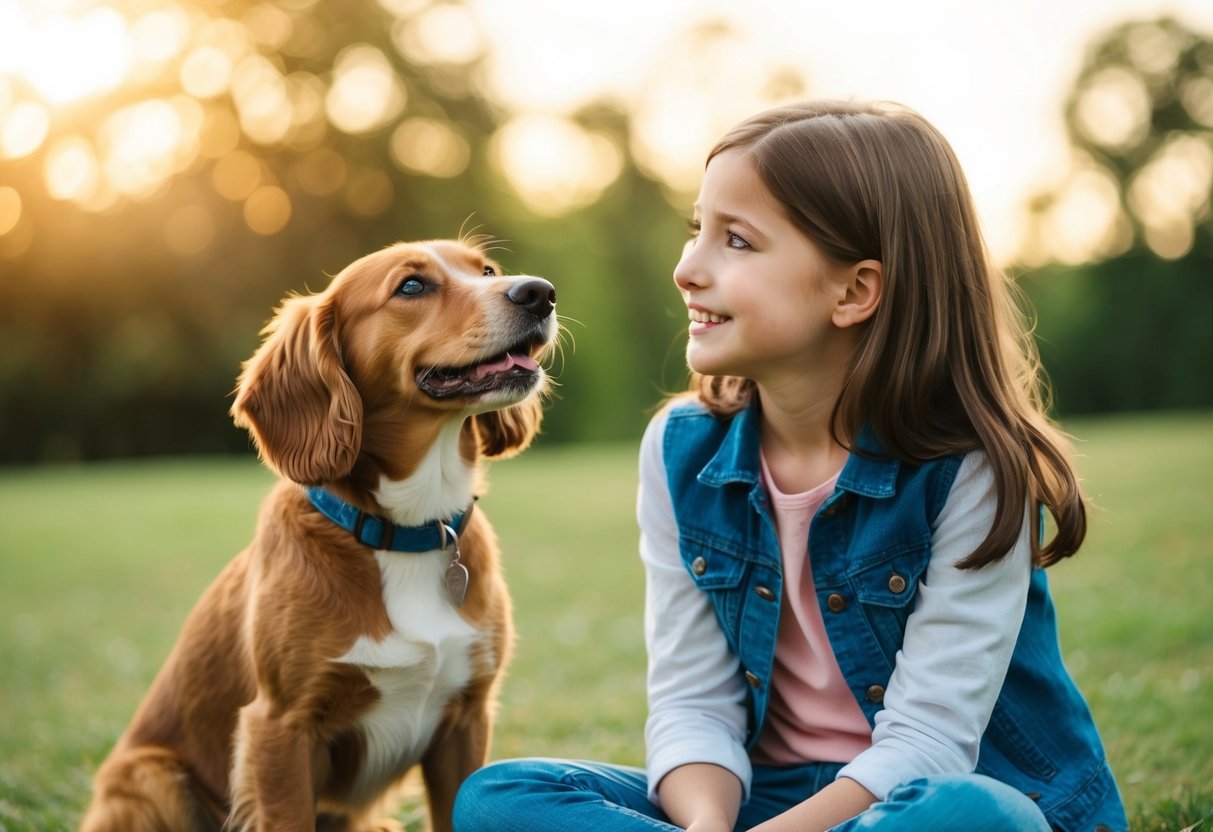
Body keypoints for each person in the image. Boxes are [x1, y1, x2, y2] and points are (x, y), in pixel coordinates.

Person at [452, 99, 1128, 832]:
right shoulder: (681, 450)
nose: (686, 270)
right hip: (766, 801)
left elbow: (930, 746)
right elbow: (693, 705)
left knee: (975, 815)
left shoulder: (969, 467)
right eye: (695, 232)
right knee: (497, 797)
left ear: (854, 291)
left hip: (930, 797)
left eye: (735, 241)